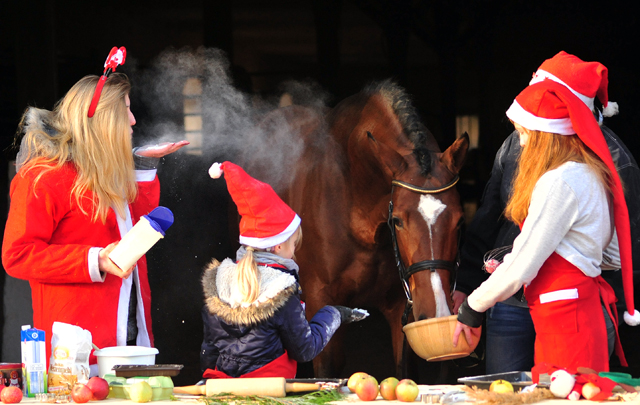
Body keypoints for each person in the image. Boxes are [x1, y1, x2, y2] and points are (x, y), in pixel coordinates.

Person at [2, 52, 188, 377]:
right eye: (125, 111)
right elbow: (17, 256)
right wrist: (96, 260)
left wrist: (142, 167)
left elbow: (136, 234)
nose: (132, 121)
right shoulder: (42, 177)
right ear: (101, 119)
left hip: (129, 326)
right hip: (75, 346)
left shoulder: (110, 170)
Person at [453, 51, 640, 373]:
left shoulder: (560, 180)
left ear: (545, 135)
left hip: (567, 318)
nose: (520, 142)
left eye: (525, 132)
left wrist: (472, 306)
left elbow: (525, 263)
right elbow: (610, 255)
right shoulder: (591, 171)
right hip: (581, 311)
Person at [200, 161, 368, 378]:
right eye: (293, 243)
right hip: (269, 392)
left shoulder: (217, 283)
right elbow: (305, 350)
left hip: (224, 390)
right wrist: (333, 313)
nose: (294, 251)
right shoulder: (281, 290)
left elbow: (209, 350)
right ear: (278, 246)